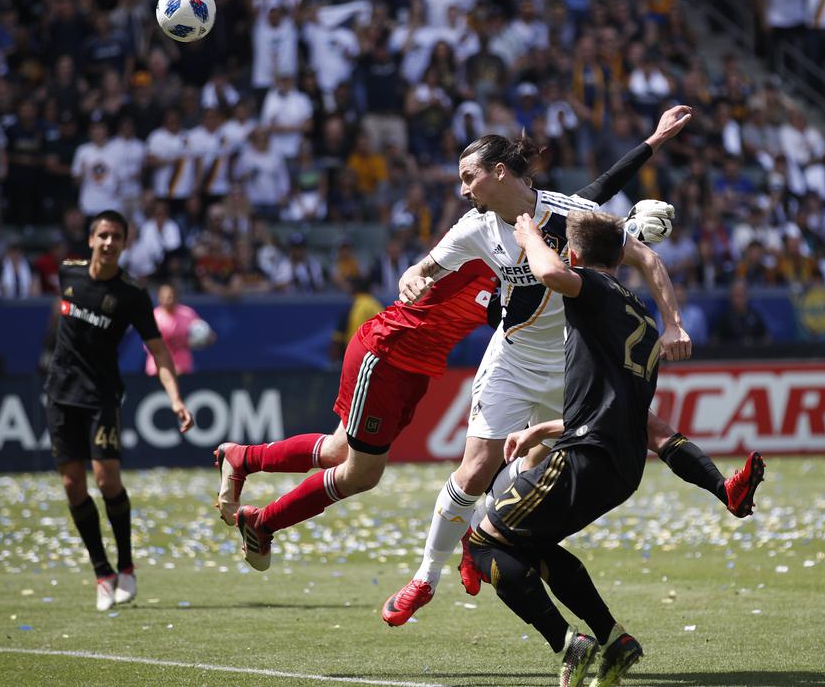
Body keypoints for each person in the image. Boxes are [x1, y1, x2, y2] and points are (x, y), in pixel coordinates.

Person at [212, 106, 692, 579]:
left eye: (469, 180)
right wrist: (623, 237)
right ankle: (264, 508)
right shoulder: (482, 236)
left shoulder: (531, 223)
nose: (464, 193)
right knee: (359, 470)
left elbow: (591, 193)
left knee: (352, 454)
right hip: (390, 350)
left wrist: (653, 143)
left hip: (422, 359)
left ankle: (246, 464)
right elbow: (521, 270)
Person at [382, 107, 695, 626]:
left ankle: (479, 544)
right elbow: (425, 266)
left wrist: (674, 323)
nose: (463, 190)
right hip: (510, 359)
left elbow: (628, 224)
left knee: (528, 488)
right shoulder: (475, 227)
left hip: (570, 368)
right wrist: (412, 278)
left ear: (499, 172)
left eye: (469, 177)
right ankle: (424, 577)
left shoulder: (567, 212)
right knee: (476, 468)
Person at [466, 210, 766, 687]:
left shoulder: (593, 288)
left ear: (577, 255)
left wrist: (527, 235)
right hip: (622, 468)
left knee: (483, 543)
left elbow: (547, 272)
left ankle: (569, 642)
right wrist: (541, 430)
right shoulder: (641, 321)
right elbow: (645, 423)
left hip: (585, 457)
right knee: (534, 544)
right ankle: (614, 640)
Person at [44, 210, 194, 610]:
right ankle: (102, 572)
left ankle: (126, 565)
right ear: (91, 239)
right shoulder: (68, 274)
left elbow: (159, 351)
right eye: (103, 235)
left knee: (106, 479)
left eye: (117, 237)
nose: (109, 243)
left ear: (126, 244)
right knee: (72, 485)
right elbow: (58, 322)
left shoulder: (131, 294)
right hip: (60, 394)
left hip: (102, 395)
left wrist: (175, 398)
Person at [146, 282, 213, 377]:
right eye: (164, 297)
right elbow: (149, 345)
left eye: (170, 297)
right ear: (159, 298)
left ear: (176, 297)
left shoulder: (188, 313)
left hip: (183, 367)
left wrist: (206, 338)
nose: (167, 300)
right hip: (158, 369)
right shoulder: (154, 317)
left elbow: (205, 334)